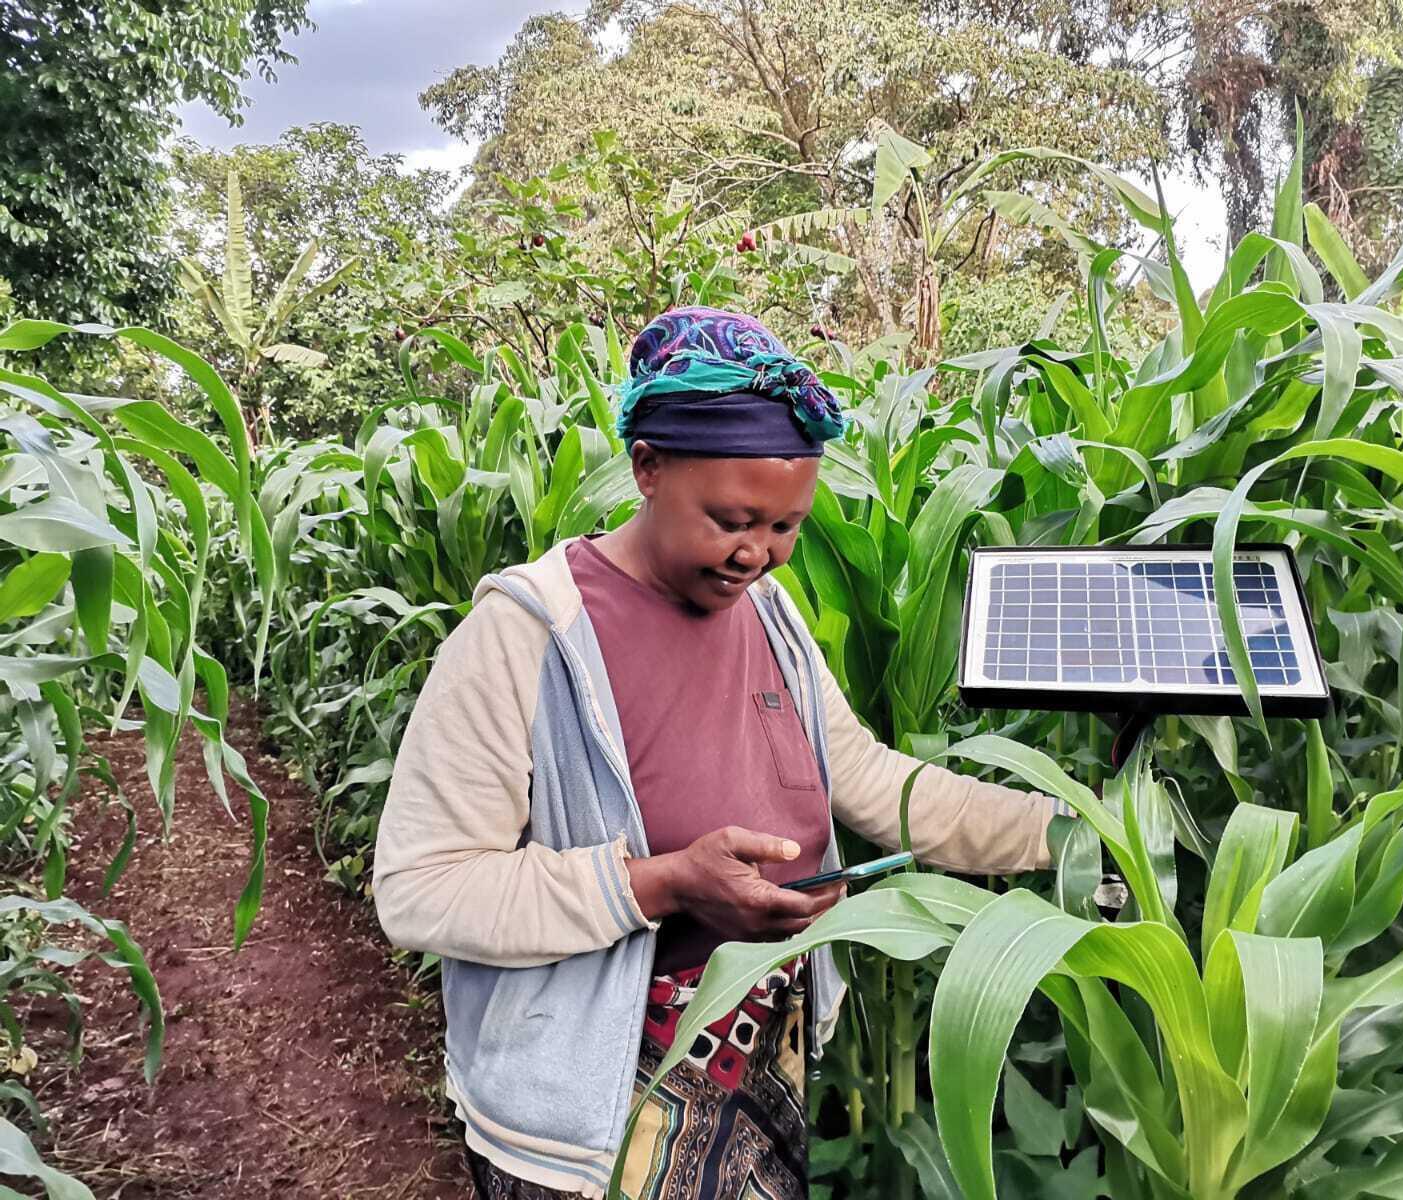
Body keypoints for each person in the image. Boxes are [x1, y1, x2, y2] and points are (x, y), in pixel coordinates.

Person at [372, 307, 1073, 1200]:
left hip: (762, 1075)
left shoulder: (773, 620)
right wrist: (660, 884)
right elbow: (420, 889)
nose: (759, 555)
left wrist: (1064, 830)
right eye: (732, 519)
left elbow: (869, 780)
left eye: (787, 528)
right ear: (647, 467)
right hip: (589, 1123)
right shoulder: (527, 636)